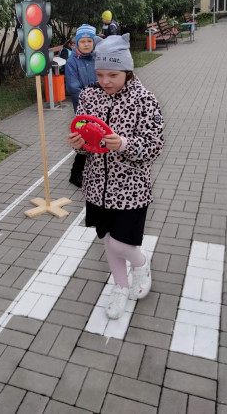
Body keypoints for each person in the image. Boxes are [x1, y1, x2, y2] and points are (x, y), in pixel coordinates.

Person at [67, 34, 164, 320]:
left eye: (113, 74)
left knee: (123, 243)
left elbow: (154, 145)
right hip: (97, 186)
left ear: (127, 71)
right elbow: (84, 135)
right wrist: (77, 143)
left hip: (131, 187)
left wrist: (124, 144)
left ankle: (141, 264)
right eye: (100, 74)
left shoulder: (144, 99)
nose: (105, 81)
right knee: (108, 240)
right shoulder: (89, 95)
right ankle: (120, 287)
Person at [65, 24, 98, 187]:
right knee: (85, 140)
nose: (86, 44)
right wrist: (91, 101)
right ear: (76, 43)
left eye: (89, 41)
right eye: (82, 41)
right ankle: (75, 174)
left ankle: (95, 169)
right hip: (82, 110)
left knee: (98, 139)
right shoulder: (72, 61)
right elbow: (73, 87)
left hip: (100, 107)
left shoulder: (97, 57)